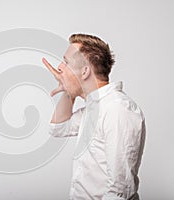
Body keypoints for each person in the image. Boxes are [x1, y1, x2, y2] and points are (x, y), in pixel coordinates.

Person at [42, 33, 146, 200]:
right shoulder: (94, 108)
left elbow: (120, 191)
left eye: (66, 62)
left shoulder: (117, 109)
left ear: (84, 72)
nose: (60, 67)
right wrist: (69, 92)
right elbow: (58, 128)